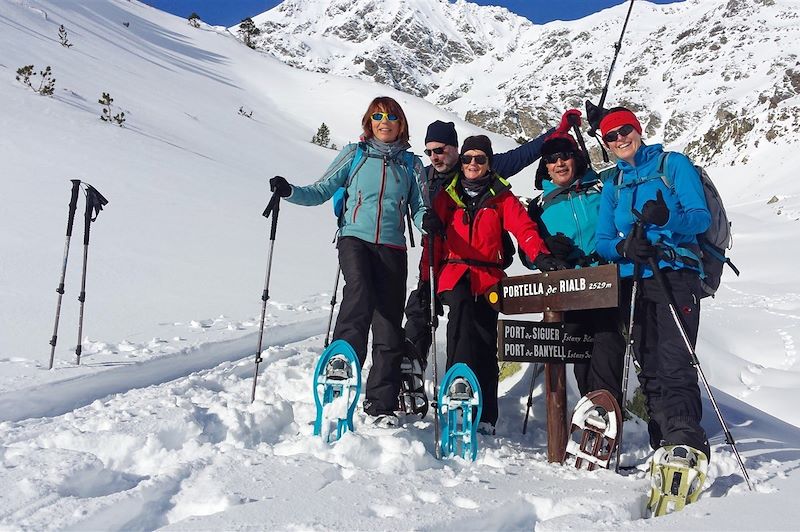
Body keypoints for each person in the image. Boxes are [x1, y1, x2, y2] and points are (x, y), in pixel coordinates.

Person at [269, 96, 426, 427]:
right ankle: (342, 361)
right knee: (359, 290)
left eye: (392, 116)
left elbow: (420, 209)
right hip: (355, 238)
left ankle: (380, 404)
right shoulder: (353, 155)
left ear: (402, 124)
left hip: (394, 247)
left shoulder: (412, 166)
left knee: (388, 325)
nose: (385, 121)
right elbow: (321, 189)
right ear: (369, 123)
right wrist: (289, 191)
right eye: (378, 116)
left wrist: (431, 224)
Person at [421, 135, 566, 433]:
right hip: (455, 272)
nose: (473, 164)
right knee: (460, 314)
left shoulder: (501, 197)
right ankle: (458, 386)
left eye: (480, 159)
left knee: (486, 339)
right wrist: (427, 281)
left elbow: (523, 228)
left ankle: (486, 414)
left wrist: (540, 255)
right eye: (467, 159)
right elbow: (432, 244)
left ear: (488, 163)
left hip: (488, 277)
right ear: (461, 162)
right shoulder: (447, 196)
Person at [594, 106, 711, 458]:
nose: (619, 139)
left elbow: (700, 219)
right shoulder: (612, 182)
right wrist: (623, 246)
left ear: (638, 129)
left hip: (675, 274)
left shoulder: (672, 165)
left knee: (675, 359)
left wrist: (667, 220)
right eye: (611, 136)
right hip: (635, 280)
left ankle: (685, 441)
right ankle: (661, 441)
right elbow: (602, 240)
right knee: (649, 365)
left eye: (624, 130)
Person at [403, 120, 555, 368]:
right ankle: (414, 367)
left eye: (439, 150)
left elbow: (525, 155)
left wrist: (557, 131)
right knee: (428, 309)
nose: (434, 157)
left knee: (483, 333)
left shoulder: (494, 187)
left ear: (454, 149)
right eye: (429, 152)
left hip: (486, 270)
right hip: (445, 267)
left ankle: (482, 397)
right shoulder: (429, 182)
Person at [521, 110, 625, 407]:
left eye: (565, 156)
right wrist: (549, 251)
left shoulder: (602, 187)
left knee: (608, 341)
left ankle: (603, 408)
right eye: (552, 160)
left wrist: (604, 123)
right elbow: (529, 257)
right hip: (568, 287)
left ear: (576, 158)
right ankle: (593, 409)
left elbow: (627, 162)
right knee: (580, 350)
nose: (559, 163)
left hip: (606, 279)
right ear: (546, 167)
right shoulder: (539, 206)